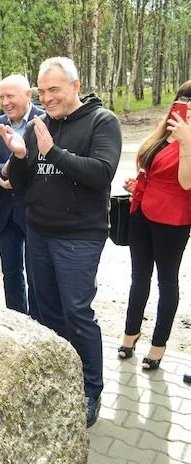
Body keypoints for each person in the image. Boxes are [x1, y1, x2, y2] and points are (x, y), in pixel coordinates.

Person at [2, 57, 122, 428]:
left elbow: (101, 173)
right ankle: (60, 377)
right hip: (39, 231)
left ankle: (91, 388)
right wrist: (20, 156)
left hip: (79, 237)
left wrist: (53, 151)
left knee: (78, 313)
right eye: (42, 90)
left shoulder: (103, 122)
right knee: (47, 311)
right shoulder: (43, 123)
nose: (47, 97)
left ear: (75, 85)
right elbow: (22, 180)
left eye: (54, 89)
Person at [118, 82, 191, 371]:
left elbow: (186, 182)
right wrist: (137, 183)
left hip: (173, 221)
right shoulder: (164, 131)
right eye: (183, 100)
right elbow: (147, 166)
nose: (185, 107)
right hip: (142, 212)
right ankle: (130, 333)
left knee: (167, 282)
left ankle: (158, 345)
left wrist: (186, 142)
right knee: (139, 278)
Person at [0, 76, 44, 316]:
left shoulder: (44, 122)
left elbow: (48, 164)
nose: (5, 102)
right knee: (11, 272)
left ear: (28, 95)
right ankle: (17, 320)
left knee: (38, 273)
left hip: (36, 211)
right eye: (2, 97)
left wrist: (17, 175)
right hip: (6, 211)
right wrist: (4, 172)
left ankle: (39, 324)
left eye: (11, 96)